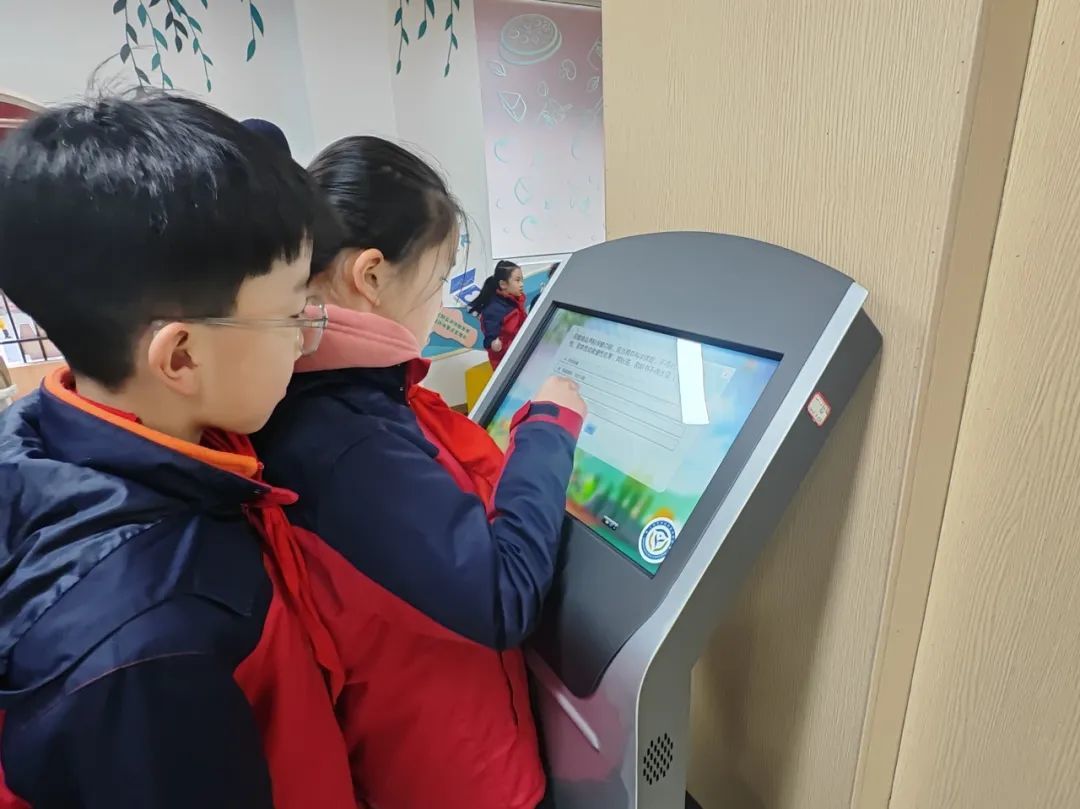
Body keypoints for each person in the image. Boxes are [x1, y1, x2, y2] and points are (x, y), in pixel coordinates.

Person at [0, 96, 361, 809]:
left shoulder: (61, 432)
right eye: (292, 313)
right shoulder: (147, 647)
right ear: (182, 356)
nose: (305, 339)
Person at [254, 135, 587, 809]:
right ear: (371, 276)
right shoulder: (347, 439)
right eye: (436, 282)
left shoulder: (342, 398)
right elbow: (502, 594)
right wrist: (549, 429)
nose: (438, 303)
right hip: (460, 780)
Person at [470, 259, 527, 369]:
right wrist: (494, 345)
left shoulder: (516, 302)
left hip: (520, 355)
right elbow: (489, 340)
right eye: (517, 280)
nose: (521, 284)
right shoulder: (494, 309)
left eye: (521, 280)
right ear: (503, 284)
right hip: (506, 363)